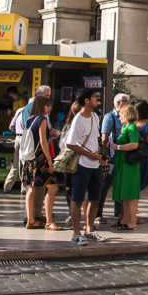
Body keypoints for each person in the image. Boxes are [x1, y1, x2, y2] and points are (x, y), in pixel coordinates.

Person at [63, 88, 105, 245]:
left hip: (96, 164)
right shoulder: (78, 120)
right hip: (82, 164)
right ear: (86, 100)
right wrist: (89, 155)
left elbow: (96, 138)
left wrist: (101, 156)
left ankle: (90, 229)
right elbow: (70, 144)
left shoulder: (95, 116)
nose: (96, 99)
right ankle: (76, 233)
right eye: (94, 97)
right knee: (78, 199)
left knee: (95, 199)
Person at [22, 95, 62, 230]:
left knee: (32, 189)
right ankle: (49, 221)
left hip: (31, 158)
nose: (50, 108)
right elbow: (43, 142)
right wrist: (49, 160)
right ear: (42, 106)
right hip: (41, 158)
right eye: (48, 105)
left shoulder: (29, 120)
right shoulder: (42, 119)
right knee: (52, 187)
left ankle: (31, 220)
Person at [110, 104, 142, 231]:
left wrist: (117, 147)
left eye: (121, 115)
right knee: (125, 193)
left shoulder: (132, 128)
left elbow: (134, 144)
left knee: (130, 193)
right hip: (124, 163)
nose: (119, 118)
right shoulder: (126, 127)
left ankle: (131, 221)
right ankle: (125, 219)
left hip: (129, 164)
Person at [100, 93, 129, 220]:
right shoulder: (110, 117)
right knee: (106, 183)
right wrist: (107, 155)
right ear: (118, 103)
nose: (128, 103)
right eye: (126, 101)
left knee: (120, 183)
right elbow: (104, 137)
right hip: (112, 155)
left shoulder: (126, 117)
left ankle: (118, 211)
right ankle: (97, 212)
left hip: (122, 153)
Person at [135, 100, 148, 197]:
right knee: (140, 180)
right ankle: (135, 202)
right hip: (143, 156)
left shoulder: (131, 123)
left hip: (131, 154)